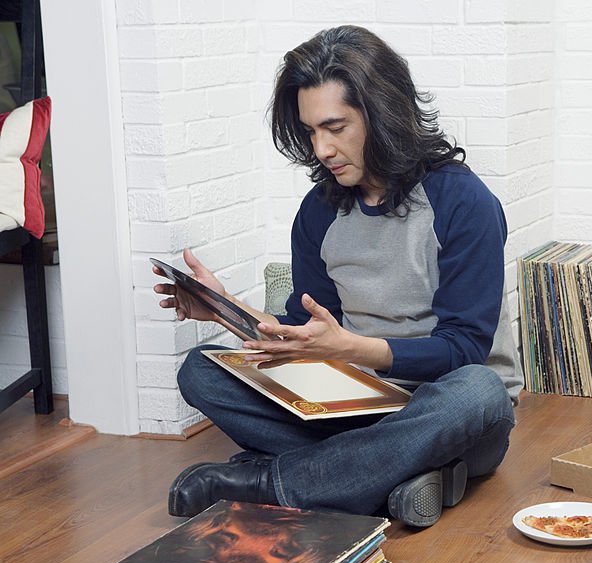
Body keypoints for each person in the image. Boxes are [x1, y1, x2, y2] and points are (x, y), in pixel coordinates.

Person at [154, 25, 523, 528]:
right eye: (310, 131)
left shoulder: (464, 203)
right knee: (200, 368)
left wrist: (348, 348)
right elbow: (302, 335)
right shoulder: (319, 211)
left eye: (336, 127)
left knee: (478, 391)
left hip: (448, 407)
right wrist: (226, 309)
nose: (322, 148)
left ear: (381, 114)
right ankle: (387, 474)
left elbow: (464, 350)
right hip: (355, 401)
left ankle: (275, 481)